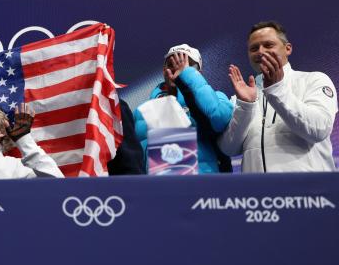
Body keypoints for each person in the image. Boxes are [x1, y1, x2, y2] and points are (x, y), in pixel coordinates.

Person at [218, 21, 337, 172]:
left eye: (268, 45)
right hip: (257, 194)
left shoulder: (313, 80)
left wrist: (277, 89)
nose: (260, 51)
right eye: (254, 48)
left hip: (308, 193)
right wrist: (246, 107)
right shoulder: (243, 97)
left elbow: (319, 129)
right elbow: (228, 149)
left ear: (288, 49)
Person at [134, 44, 233, 173]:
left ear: (199, 72)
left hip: (205, 187)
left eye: (187, 64)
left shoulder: (218, 98)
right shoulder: (142, 112)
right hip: (160, 188)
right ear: (164, 70)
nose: (177, 68)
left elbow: (219, 118)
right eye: (171, 64)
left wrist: (188, 76)